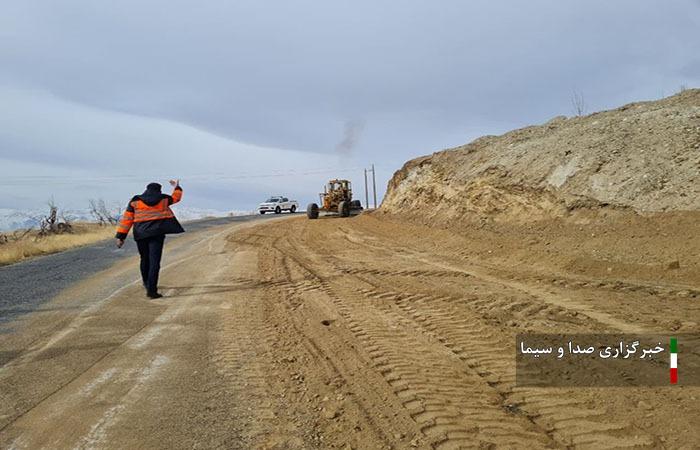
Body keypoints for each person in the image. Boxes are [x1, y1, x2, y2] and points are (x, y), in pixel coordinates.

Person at [115, 179, 184, 298]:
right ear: (159, 190)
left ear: (146, 189)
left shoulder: (135, 200)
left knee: (144, 259)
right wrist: (177, 186)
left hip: (140, 234)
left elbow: (127, 219)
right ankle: (152, 291)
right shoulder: (163, 199)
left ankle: (146, 283)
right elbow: (176, 197)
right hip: (157, 235)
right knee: (154, 262)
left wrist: (121, 236)